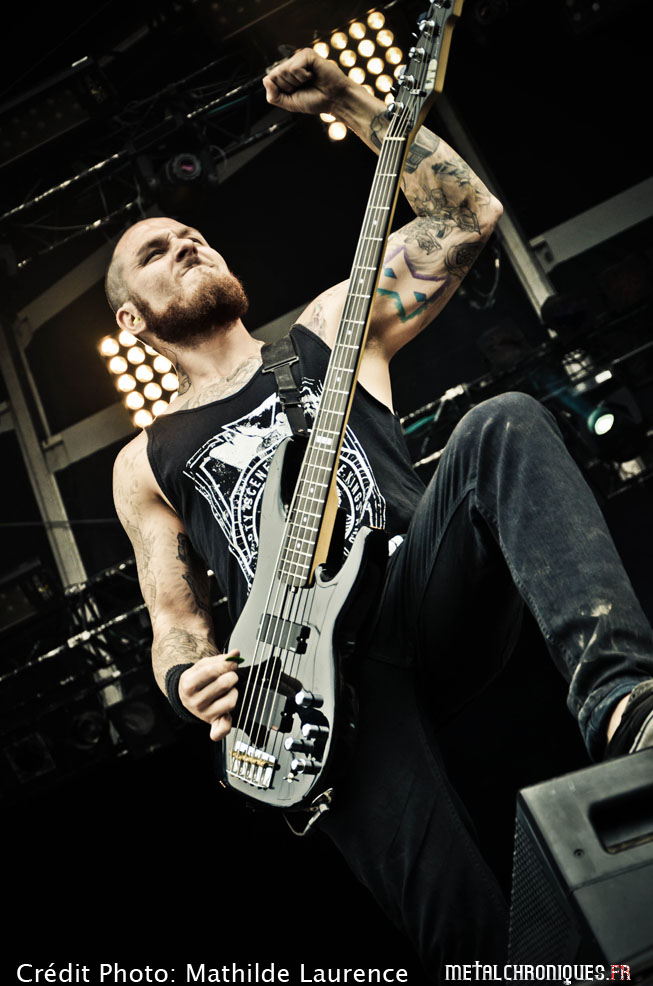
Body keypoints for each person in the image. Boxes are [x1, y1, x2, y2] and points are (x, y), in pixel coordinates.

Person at [110, 49, 653, 975]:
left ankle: (626, 705)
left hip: (415, 593)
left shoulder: (327, 333)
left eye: (191, 235)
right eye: (153, 252)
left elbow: (466, 217)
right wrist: (186, 681)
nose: (185, 246)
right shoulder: (142, 461)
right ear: (131, 320)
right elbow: (176, 621)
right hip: (308, 689)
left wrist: (352, 101)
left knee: (501, 423)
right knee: (470, 943)